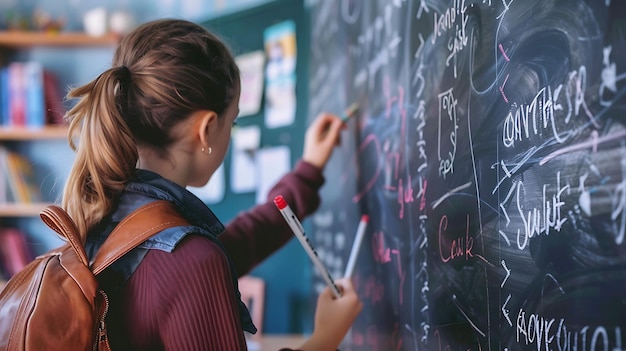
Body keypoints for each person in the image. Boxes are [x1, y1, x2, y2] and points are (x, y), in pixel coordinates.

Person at [61, 18, 362, 350]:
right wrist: (326, 338)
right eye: (231, 122)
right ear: (206, 129)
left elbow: (241, 240)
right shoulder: (189, 258)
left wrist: (308, 169)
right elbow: (205, 259)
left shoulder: (113, 220)